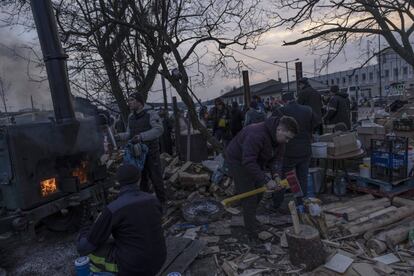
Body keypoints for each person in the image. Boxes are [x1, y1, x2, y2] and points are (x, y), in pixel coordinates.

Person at [76, 164, 166, 275]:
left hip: (134, 268)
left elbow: (85, 247)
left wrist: (84, 230)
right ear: (139, 179)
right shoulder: (153, 200)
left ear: (118, 183)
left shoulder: (113, 209)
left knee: (87, 253)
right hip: (160, 260)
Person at [225, 115, 299, 240]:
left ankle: (251, 219)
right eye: (286, 137)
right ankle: (251, 235)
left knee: (259, 193)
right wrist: (266, 180)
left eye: (289, 139)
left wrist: (276, 177)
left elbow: (277, 160)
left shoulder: (279, 140)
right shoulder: (256, 134)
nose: (287, 141)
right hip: (238, 161)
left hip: (254, 159)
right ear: (279, 129)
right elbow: (248, 161)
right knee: (249, 197)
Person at [117, 92, 166, 204]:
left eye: (131, 100)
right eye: (128, 100)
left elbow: (159, 129)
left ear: (139, 102)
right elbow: (129, 134)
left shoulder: (151, 114)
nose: (129, 103)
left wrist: (141, 136)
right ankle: (147, 204)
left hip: (151, 153)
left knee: (156, 179)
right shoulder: (131, 117)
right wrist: (119, 136)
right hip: (138, 155)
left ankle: (162, 203)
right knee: (142, 180)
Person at [272, 99, 320, 209]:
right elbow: (317, 124)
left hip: (289, 151)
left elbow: (273, 128)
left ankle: (277, 203)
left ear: (285, 101)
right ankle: (300, 204)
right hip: (305, 150)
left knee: (284, 178)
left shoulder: (281, 110)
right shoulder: (308, 110)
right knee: (302, 178)